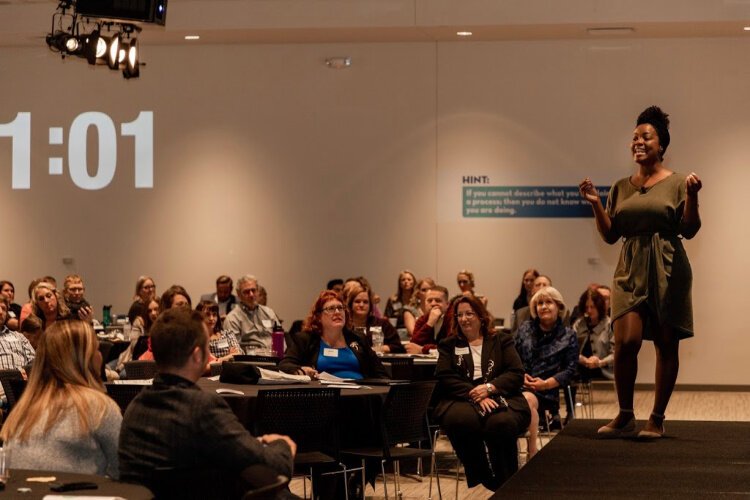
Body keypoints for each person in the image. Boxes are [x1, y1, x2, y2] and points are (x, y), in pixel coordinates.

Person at [579, 105, 702, 439]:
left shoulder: (678, 182)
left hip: (667, 265)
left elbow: (689, 230)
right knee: (626, 341)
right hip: (630, 267)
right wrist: (595, 203)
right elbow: (610, 234)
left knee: (666, 343)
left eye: (645, 136)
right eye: (634, 137)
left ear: (661, 144)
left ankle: (657, 418)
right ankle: (625, 414)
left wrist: (691, 197)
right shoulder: (621, 186)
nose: (638, 141)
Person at [118, 308, 295, 491]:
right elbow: (277, 470)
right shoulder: (203, 408)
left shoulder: (134, 408)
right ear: (197, 355)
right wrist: (281, 445)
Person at [1, 320, 121, 478]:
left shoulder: (22, 410)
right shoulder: (99, 408)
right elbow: (123, 471)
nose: (100, 356)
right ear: (84, 359)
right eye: (97, 349)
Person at [435, 295, 531, 490]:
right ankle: (481, 473)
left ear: (481, 317)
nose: (464, 319)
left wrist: (489, 389)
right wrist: (474, 393)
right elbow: (445, 376)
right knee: (459, 420)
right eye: (459, 315)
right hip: (462, 397)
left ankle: (506, 482)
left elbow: (516, 373)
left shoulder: (501, 340)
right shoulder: (449, 345)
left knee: (501, 422)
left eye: (469, 313)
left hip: (501, 394)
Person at [515, 287, 578, 456]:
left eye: (549, 302)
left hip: (547, 390)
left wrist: (546, 384)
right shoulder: (524, 329)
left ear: (559, 307)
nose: (544, 306)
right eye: (540, 303)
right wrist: (520, 377)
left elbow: (570, 370)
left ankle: (532, 449)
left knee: (526, 400)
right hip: (519, 384)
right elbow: (512, 357)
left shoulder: (568, 335)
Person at [279, 290, 388, 380]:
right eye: (330, 309)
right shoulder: (306, 339)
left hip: (361, 396)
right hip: (325, 397)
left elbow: (381, 373)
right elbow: (285, 365)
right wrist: (302, 370)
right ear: (318, 316)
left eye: (340, 308)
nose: (337, 312)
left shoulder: (358, 339)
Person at [223, 275, 281, 350]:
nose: (251, 295)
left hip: (274, 357)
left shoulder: (269, 312)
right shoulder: (232, 319)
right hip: (251, 359)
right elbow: (234, 350)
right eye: (246, 292)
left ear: (258, 291)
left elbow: (280, 338)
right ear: (239, 294)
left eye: (253, 290)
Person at [345, 284, 405, 354]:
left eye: (365, 302)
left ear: (370, 305)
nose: (361, 305)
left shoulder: (383, 324)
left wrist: (378, 349)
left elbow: (398, 347)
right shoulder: (344, 325)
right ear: (351, 305)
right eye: (357, 301)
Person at [0, 297, 35, 405]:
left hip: (23, 391)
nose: (0, 312)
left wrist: (26, 370)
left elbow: (35, 361)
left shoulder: (19, 336)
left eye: (3, 308)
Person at [572, 289, 614, 381]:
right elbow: (571, 350)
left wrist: (600, 362)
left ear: (599, 307)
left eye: (593, 307)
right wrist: (583, 359)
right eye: (586, 307)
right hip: (580, 371)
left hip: (605, 373)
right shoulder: (578, 324)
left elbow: (616, 354)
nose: (589, 310)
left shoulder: (609, 324)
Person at [114, 297, 160, 374]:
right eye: (149, 311)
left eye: (156, 309)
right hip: (135, 359)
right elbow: (134, 346)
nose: (153, 313)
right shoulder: (139, 322)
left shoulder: (166, 325)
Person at [406, 285, 451, 354]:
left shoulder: (453, 319)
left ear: (447, 304)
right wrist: (429, 323)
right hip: (424, 363)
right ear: (425, 303)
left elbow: (449, 347)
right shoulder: (422, 320)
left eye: (438, 300)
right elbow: (413, 345)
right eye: (429, 301)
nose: (433, 304)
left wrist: (423, 349)